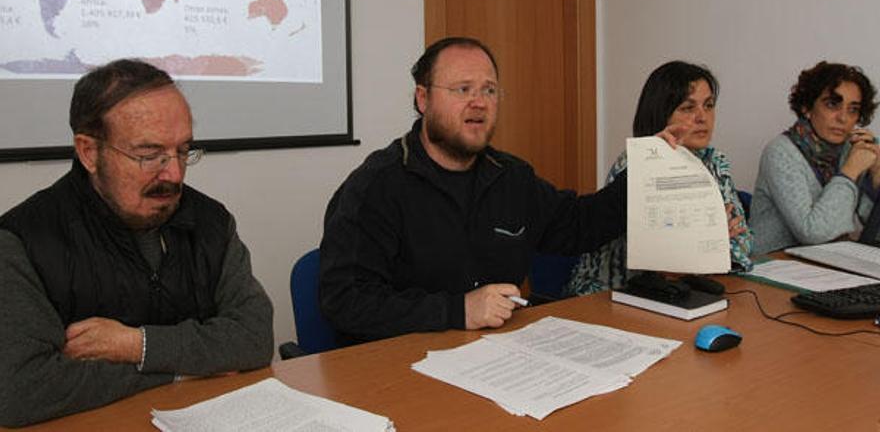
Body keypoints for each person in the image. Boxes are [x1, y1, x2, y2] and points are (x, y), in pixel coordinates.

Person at [318, 37, 683, 345]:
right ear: (422, 99)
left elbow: (578, 225)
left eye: (489, 90)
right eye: (463, 89)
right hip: (401, 368)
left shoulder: (511, 177)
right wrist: (459, 310)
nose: (479, 102)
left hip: (498, 358)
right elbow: (345, 300)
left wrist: (644, 171)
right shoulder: (376, 186)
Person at [0, 60, 274, 427]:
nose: (174, 174)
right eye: (149, 155)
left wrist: (135, 345)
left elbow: (254, 338)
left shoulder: (211, 222)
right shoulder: (23, 241)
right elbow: (22, 390)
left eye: (182, 151)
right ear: (88, 152)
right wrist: (183, 369)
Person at [566, 61, 753, 296]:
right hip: (611, 294)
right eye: (688, 108)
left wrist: (702, 244)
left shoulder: (714, 162)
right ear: (662, 113)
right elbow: (648, 259)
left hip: (681, 292)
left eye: (709, 105)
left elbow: (743, 244)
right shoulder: (636, 164)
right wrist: (707, 241)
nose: (702, 117)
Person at [751, 61, 880, 254]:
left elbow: (867, 231)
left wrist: (876, 178)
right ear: (807, 107)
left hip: (828, 264)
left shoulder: (853, 149)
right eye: (832, 105)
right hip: (771, 263)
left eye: (852, 109)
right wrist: (850, 173)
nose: (843, 118)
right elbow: (813, 233)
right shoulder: (780, 152)